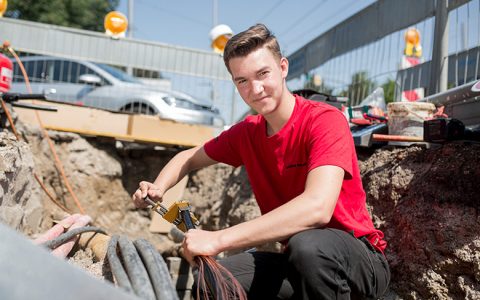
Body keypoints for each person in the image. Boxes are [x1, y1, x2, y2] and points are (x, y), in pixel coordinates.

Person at [133, 23, 390, 299]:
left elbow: (318, 209)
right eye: (242, 81)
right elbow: (188, 157)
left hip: (357, 261)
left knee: (308, 247)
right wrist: (158, 188)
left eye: (263, 74)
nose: (255, 89)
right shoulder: (247, 133)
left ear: (283, 68)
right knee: (213, 280)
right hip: (300, 262)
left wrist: (218, 238)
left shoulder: (324, 120)